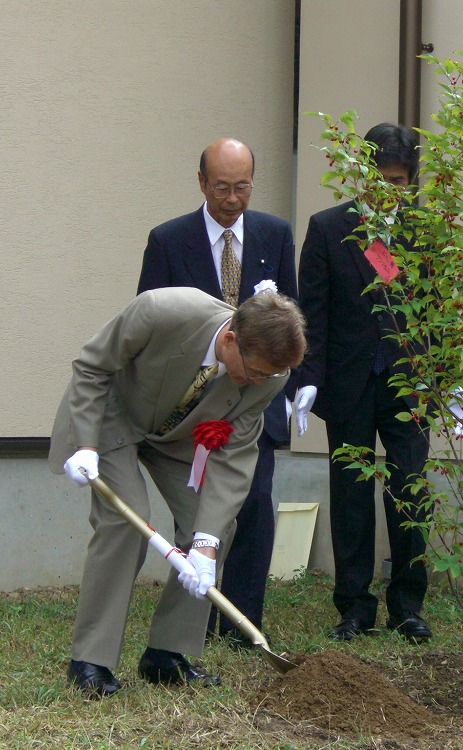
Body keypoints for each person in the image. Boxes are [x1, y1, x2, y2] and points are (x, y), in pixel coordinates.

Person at [49, 286, 306, 698]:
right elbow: (92, 367)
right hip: (111, 418)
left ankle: (167, 655)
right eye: (255, 373)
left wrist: (205, 546)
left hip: (179, 437)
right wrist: (85, 446)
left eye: (268, 377)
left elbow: (235, 456)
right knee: (124, 519)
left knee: (211, 524)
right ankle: (90, 660)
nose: (260, 383)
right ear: (229, 340)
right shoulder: (161, 311)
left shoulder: (272, 375)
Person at [136, 137, 297, 644]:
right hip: (195, 405)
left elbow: (290, 315)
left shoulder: (274, 234)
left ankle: (243, 619)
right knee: (204, 511)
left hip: (252, 398)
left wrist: (294, 384)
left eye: (243, 187)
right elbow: (150, 326)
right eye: (222, 187)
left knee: (255, 501)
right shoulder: (169, 240)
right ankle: (196, 616)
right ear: (202, 183)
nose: (232, 199)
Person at [292, 122, 433, 643]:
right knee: (350, 495)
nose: (389, 192)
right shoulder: (329, 228)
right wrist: (308, 378)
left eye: (398, 182)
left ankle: (408, 603)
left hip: (408, 388)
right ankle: (354, 605)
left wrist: (449, 385)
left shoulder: (424, 232)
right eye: (381, 180)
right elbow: (314, 312)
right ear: (363, 175)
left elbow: (438, 314)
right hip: (349, 384)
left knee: (409, 493)